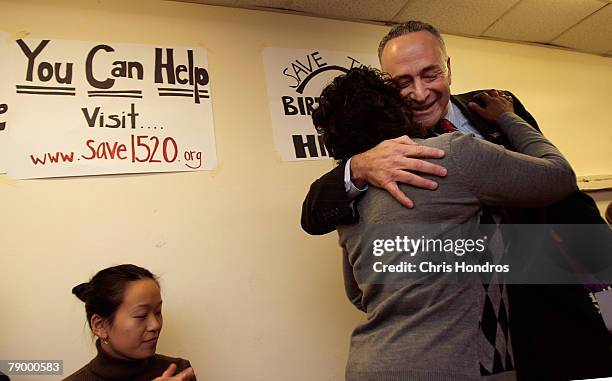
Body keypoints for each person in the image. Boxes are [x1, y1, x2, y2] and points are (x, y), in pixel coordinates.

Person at [302, 21, 612, 380]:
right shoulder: (382, 153)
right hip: (479, 334)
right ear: (388, 89)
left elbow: (561, 191)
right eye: (403, 82)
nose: (419, 93)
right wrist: (356, 166)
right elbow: (314, 212)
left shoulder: (496, 105)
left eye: (430, 74)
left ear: (448, 67)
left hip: (555, 304)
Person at [63, 264, 196, 381]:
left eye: (157, 312)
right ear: (100, 326)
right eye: (141, 315)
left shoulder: (179, 372)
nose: (155, 325)